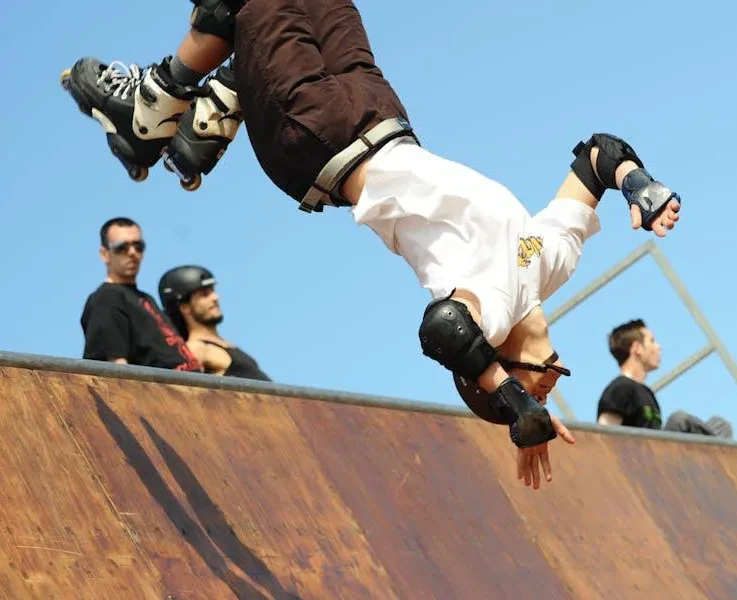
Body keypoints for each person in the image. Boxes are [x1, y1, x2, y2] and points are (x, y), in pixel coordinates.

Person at [61, 0, 683, 490]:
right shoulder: (545, 261)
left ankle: (150, 113)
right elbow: (598, 154)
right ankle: (209, 113)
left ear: (496, 360)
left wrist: (514, 400)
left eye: (543, 382)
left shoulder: (490, 302)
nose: (553, 377)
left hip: (317, 137)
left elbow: (444, 329)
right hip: (378, 113)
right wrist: (640, 186)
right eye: (553, 381)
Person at [81, 217, 203, 372]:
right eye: (122, 247)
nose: (132, 252)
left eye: (138, 246)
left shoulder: (145, 298)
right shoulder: (106, 298)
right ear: (105, 254)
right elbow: (114, 369)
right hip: (159, 393)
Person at [596, 319, 732, 438]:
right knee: (679, 420)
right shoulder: (620, 389)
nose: (658, 347)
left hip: (661, 456)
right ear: (637, 348)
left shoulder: (645, 393)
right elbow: (604, 436)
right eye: (652, 341)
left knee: (720, 425)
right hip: (642, 459)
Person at [158, 265, 272, 381]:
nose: (215, 297)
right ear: (185, 307)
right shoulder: (197, 348)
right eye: (204, 294)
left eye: (213, 290)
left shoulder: (228, 346)